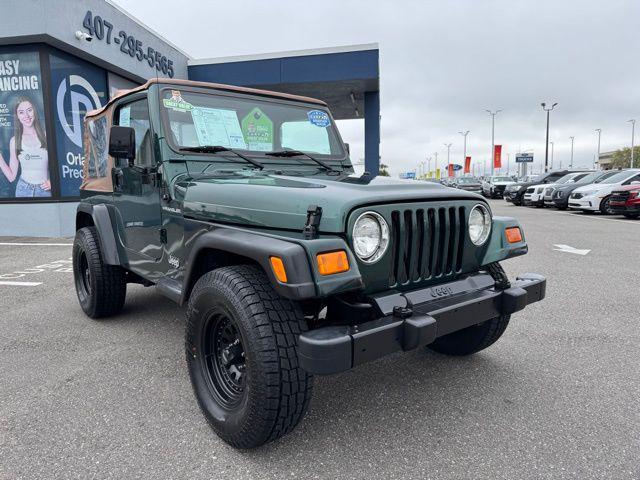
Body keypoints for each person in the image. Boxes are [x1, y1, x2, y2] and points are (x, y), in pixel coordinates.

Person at [0, 96, 51, 197]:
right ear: (17, 116)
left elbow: (59, 166)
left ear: (35, 112)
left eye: (29, 110)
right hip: (23, 190)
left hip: (45, 190)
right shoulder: (14, 141)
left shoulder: (47, 136)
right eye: (21, 112)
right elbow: (11, 177)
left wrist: (52, 181)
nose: (26, 115)